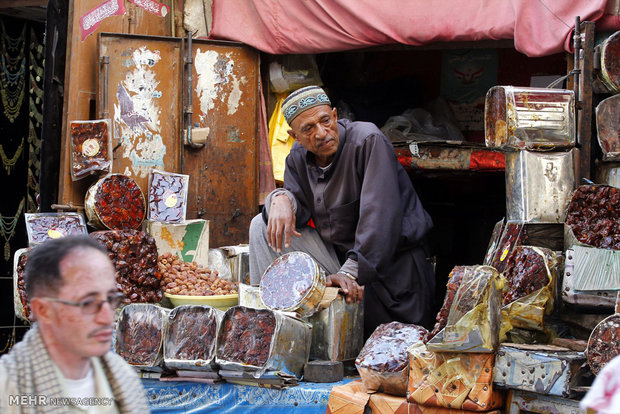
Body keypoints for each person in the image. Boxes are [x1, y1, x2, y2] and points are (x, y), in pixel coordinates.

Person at [250, 85, 435, 337]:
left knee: (396, 347)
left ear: (335, 116)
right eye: (308, 129)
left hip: (392, 267)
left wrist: (349, 271)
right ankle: (272, 326)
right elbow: (299, 211)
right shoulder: (297, 157)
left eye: (325, 121)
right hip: (339, 262)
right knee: (260, 225)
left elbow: (380, 218)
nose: (321, 133)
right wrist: (280, 197)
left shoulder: (367, 140)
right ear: (295, 136)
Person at [0, 235, 149, 413]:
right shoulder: (7, 388)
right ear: (43, 310)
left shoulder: (124, 378)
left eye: (110, 299)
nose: (106, 317)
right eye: (87, 303)